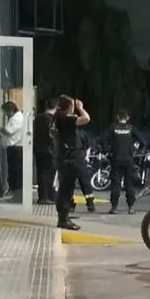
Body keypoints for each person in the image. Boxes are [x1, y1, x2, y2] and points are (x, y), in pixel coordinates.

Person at [53, 95, 90, 231]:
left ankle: (64, 216)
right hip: (68, 159)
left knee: (65, 188)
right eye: (72, 105)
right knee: (66, 190)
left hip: (62, 157)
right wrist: (80, 108)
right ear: (69, 106)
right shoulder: (65, 117)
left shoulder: (57, 117)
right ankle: (63, 218)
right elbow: (86, 119)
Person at [101, 109, 145, 214]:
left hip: (116, 158)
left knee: (116, 183)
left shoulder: (113, 128)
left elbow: (102, 140)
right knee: (129, 184)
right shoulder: (131, 128)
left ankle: (114, 207)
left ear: (117, 117)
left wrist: (107, 151)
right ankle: (131, 207)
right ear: (127, 118)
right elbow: (143, 142)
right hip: (129, 159)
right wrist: (136, 151)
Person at [0, 101, 25, 202]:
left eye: (5, 111)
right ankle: (16, 195)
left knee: (15, 172)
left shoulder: (17, 119)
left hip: (15, 148)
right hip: (15, 148)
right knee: (14, 172)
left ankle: (17, 196)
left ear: (10, 110)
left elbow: (8, 131)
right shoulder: (17, 117)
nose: (5, 114)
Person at [34, 99, 58, 204]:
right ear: (57, 107)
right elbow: (51, 135)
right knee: (48, 173)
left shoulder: (38, 117)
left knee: (42, 172)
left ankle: (45, 195)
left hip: (39, 149)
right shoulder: (50, 119)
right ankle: (46, 197)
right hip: (49, 150)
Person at [69, 130, 97, 213]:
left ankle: (90, 203)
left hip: (81, 161)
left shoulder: (83, 133)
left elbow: (88, 147)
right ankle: (70, 204)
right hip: (69, 160)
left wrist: (87, 157)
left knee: (85, 184)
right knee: (69, 185)